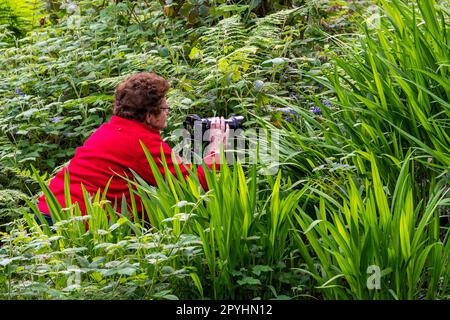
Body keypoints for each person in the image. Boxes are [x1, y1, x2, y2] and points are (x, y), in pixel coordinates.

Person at [36, 72, 229, 226]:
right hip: (73, 222)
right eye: (164, 109)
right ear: (148, 115)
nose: (167, 112)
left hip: (49, 210)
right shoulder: (142, 143)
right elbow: (193, 186)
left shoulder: (110, 129)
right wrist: (217, 146)